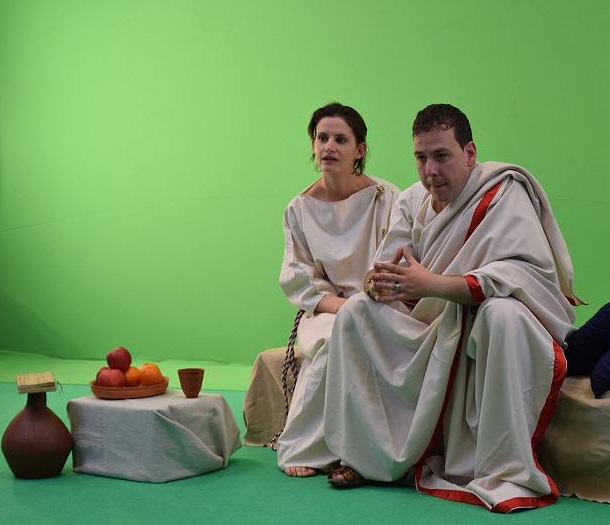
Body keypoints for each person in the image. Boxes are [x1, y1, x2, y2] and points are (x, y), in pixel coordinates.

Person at [315, 103, 580, 512]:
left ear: (470, 153)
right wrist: (378, 283)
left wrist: (430, 284)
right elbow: (390, 270)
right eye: (421, 158)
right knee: (354, 312)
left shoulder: (502, 191)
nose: (430, 171)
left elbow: (521, 273)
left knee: (501, 314)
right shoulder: (412, 201)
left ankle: (502, 469)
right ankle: (366, 457)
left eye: (441, 156)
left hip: (481, 318)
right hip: (430, 322)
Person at [243, 102, 399, 477]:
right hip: (326, 310)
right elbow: (300, 279)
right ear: (313, 145)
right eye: (322, 137)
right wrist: (344, 307)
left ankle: (368, 451)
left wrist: (369, 299)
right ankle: (303, 448)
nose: (329, 146)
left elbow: (399, 256)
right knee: (334, 340)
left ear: (360, 150)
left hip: (384, 305)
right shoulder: (298, 209)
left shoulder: (387, 197)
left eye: (341, 140)